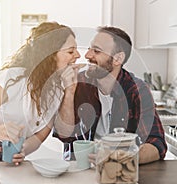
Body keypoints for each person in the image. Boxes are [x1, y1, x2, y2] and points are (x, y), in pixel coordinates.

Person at [0, 22, 81, 165]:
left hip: (8, 157)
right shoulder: (11, 79)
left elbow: (41, 136)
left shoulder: (57, 89)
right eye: (70, 51)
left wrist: (23, 150)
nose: (78, 55)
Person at [53, 26, 167, 164]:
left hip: (118, 173)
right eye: (90, 48)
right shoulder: (79, 82)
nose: (87, 55)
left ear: (117, 59)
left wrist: (121, 158)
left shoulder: (137, 90)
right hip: (78, 169)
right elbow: (64, 135)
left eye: (96, 51)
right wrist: (69, 92)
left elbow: (157, 144)